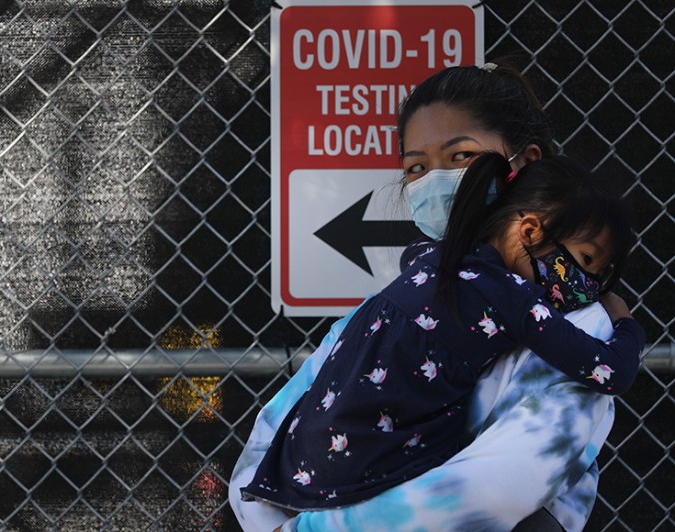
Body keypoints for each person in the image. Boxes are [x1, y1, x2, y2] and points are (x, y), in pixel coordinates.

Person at [230, 64, 637, 531]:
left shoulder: (578, 322)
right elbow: (266, 443)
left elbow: (497, 488)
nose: (435, 181)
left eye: (460, 156)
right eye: (416, 168)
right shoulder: (383, 306)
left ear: (524, 163)